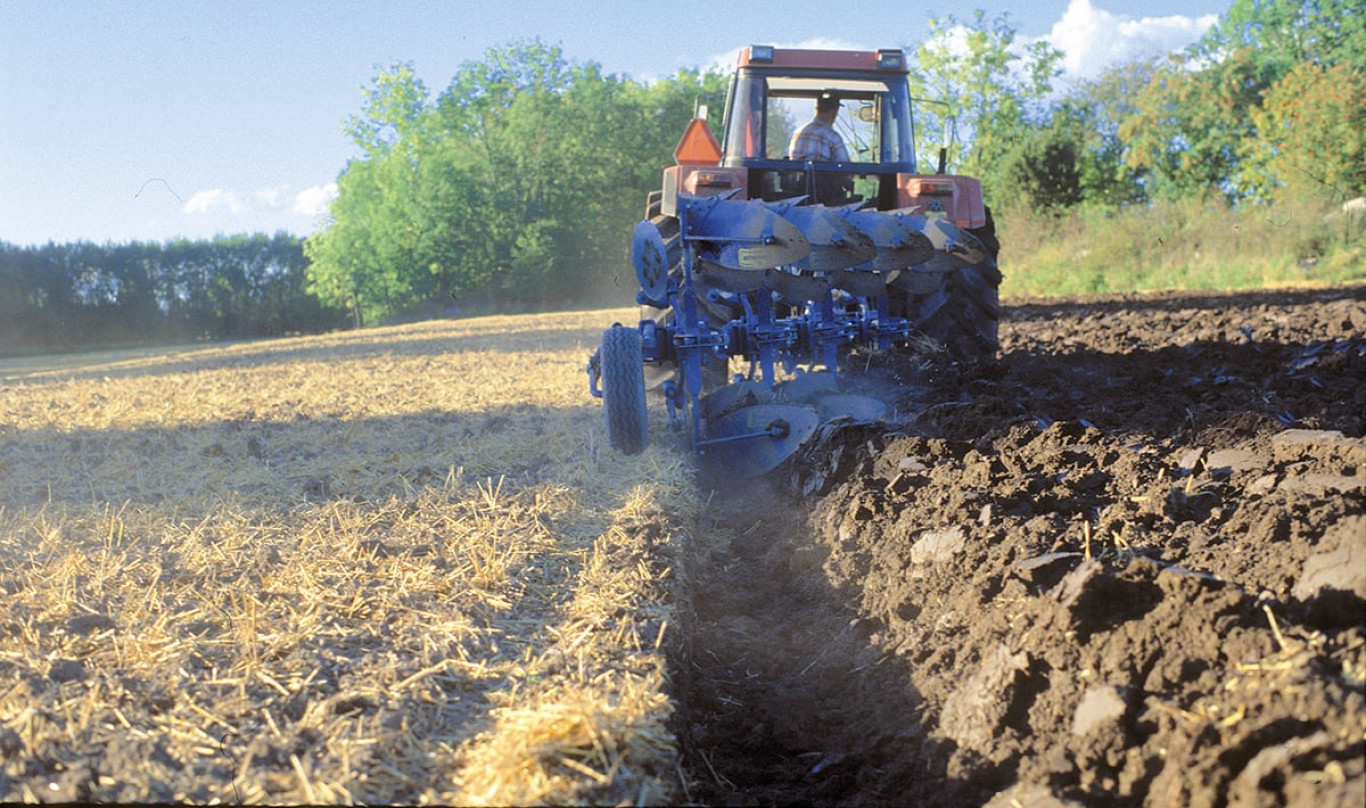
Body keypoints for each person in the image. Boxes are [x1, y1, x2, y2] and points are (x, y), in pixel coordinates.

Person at [788, 93, 849, 162]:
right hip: (822, 173)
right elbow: (846, 165)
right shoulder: (833, 137)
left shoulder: (798, 133)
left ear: (816, 110)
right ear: (833, 113)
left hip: (796, 172)